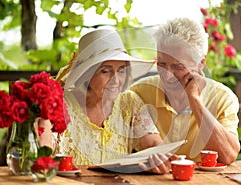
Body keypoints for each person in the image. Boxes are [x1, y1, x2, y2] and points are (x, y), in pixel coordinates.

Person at [40, 29, 176, 174]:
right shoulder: (58, 103)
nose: (116, 81)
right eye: (105, 71)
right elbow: (42, 155)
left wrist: (161, 157)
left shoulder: (129, 101)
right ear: (86, 74)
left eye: (121, 70)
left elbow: (153, 142)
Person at [130, 18, 240, 165]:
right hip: (150, 183)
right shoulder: (138, 93)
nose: (167, 75)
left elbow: (228, 156)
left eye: (178, 66)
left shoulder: (223, 98)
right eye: (162, 64)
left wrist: (195, 101)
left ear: (201, 63)